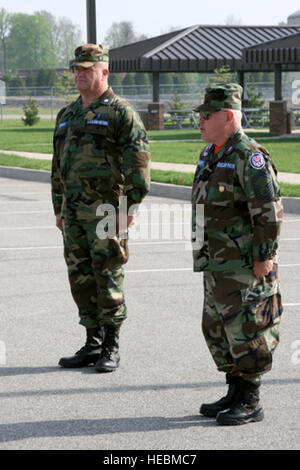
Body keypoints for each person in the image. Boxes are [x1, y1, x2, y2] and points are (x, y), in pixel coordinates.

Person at [51, 44, 150, 373]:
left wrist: (129, 206)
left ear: (104, 72)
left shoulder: (121, 113)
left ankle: (111, 345)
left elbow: (138, 165)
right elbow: (57, 167)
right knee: (80, 277)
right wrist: (58, 207)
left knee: (107, 275)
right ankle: (92, 342)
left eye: (87, 69)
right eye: (76, 69)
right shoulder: (67, 115)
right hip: (73, 211)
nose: (79, 74)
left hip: (108, 211)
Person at [191, 83, 283, 425]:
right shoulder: (211, 153)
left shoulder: (249, 156)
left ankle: (251, 398)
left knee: (248, 330)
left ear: (228, 116)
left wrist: (265, 256)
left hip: (244, 265)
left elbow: (269, 211)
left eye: (206, 114)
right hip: (216, 263)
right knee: (218, 329)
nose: (200, 120)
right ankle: (234, 390)